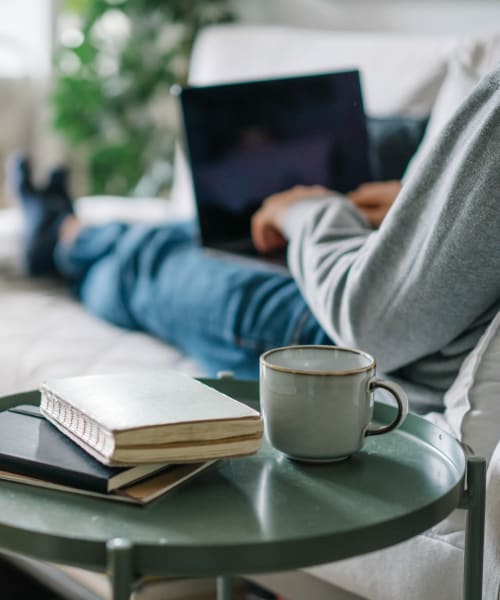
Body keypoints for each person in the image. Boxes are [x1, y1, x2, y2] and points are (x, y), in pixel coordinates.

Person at [9, 65, 500, 412]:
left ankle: (59, 239)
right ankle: (67, 232)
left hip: (354, 344)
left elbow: (372, 322)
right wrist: (416, 203)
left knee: (148, 264)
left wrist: (306, 206)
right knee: (198, 235)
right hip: (398, 298)